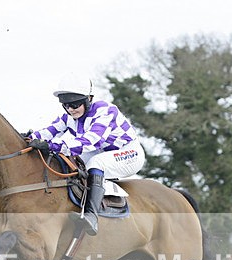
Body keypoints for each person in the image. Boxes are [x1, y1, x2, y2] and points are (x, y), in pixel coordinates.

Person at [27, 76, 146, 236]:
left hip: (129, 153)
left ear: (89, 99)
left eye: (75, 104)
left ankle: (91, 216)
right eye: (66, 105)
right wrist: (28, 138)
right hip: (103, 151)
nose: (71, 109)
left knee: (96, 162)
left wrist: (52, 145)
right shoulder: (69, 116)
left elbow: (90, 141)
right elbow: (49, 131)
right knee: (71, 161)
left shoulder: (105, 111)